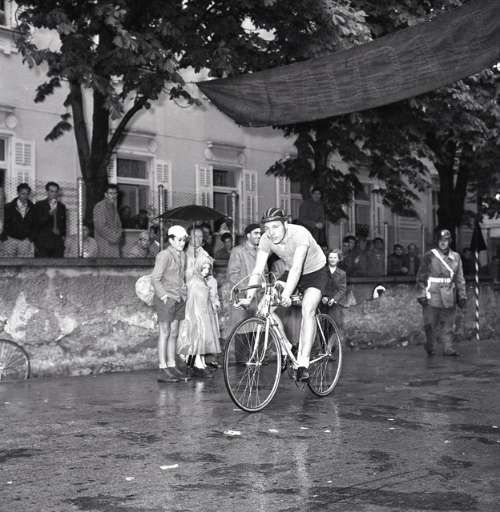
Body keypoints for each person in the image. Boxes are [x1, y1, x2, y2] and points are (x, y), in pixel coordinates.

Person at [237, 207, 327, 382]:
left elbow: (297, 267)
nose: (271, 232)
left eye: (276, 227)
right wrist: (248, 297)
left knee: (307, 309)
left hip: (315, 272)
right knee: (263, 308)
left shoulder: (300, 234)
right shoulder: (266, 239)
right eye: (267, 228)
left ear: (286, 224)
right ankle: (287, 347)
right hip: (290, 272)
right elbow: (258, 269)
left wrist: (286, 294)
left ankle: (303, 363)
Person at [416, 228, 467, 357]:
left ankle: (448, 348)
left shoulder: (456, 257)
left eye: (446, 240)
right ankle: (430, 346)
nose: (443, 242)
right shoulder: (429, 256)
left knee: (449, 323)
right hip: (432, 293)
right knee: (430, 324)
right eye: (440, 240)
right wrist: (421, 294)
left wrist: (462, 295)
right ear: (437, 241)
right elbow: (421, 276)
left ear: (450, 241)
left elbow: (459, 277)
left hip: (449, 293)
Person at [151, 224, 191, 383]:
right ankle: (163, 368)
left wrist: (184, 292)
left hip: (179, 298)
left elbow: (181, 277)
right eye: (179, 240)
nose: (182, 243)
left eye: (184, 240)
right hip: (166, 299)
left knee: (174, 332)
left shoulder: (183, 255)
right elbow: (155, 278)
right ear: (171, 240)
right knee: (165, 331)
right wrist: (164, 297)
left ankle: (172, 365)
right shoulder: (164, 255)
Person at [177, 255, 221, 378]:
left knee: (201, 341)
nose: (206, 271)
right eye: (203, 268)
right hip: (196, 316)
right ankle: (197, 365)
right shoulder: (194, 282)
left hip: (203, 314)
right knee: (196, 342)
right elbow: (192, 302)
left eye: (208, 268)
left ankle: (200, 363)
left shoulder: (202, 280)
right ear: (198, 267)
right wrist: (196, 317)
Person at [225, 223, 262, 335]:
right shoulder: (238, 251)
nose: (259, 236)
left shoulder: (261, 251)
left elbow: (264, 274)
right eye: (256, 233)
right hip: (242, 298)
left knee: (256, 334)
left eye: (260, 233)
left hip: (258, 298)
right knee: (241, 332)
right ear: (248, 235)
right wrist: (248, 290)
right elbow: (233, 276)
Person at [32, 181, 67, 257]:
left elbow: (64, 224)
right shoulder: (39, 205)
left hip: (57, 242)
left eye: (56, 192)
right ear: (47, 192)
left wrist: (62, 235)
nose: (54, 194)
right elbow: (36, 223)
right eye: (51, 191)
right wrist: (49, 214)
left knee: (58, 263)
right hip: (43, 242)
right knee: (43, 263)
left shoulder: (62, 206)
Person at [0, 182, 35, 257]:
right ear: (18, 193)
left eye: (27, 194)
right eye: (23, 194)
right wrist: (4, 238)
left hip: (25, 241)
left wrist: (30, 239)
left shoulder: (33, 208)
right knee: (8, 263)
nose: (25, 196)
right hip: (10, 240)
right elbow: (4, 223)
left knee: (23, 263)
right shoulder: (8, 207)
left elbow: (35, 225)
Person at [93, 184, 122, 257]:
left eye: (115, 193)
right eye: (110, 193)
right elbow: (100, 227)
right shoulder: (100, 206)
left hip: (114, 243)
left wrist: (119, 234)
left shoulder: (113, 206)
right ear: (105, 194)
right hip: (104, 243)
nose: (113, 196)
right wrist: (115, 237)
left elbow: (118, 224)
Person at [320, 249, 347, 329]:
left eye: (335, 258)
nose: (332, 259)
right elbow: (319, 285)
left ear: (338, 259)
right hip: (322, 303)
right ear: (327, 259)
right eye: (330, 257)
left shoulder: (342, 273)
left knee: (335, 326)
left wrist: (334, 299)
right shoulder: (322, 272)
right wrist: (322, 297)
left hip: (335, 304)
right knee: (322, 326)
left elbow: (342, 289)